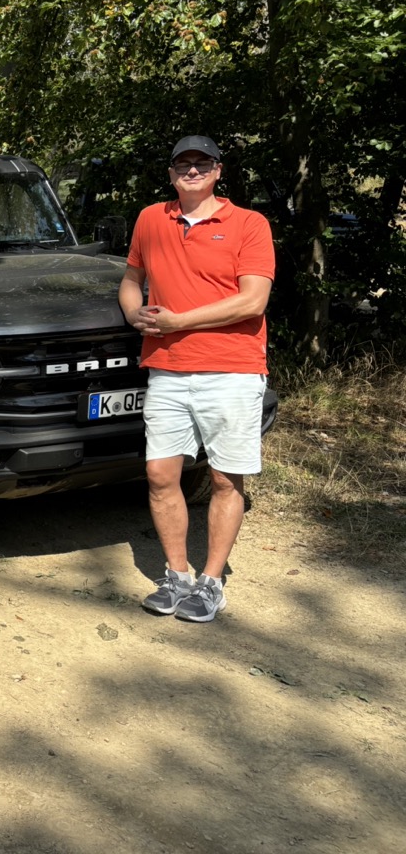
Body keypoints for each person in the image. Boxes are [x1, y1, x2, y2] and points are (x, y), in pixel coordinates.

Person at [119, 135, 275, 623]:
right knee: (161, 475)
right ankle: (177, 575)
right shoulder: (150, 218)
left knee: (225, 479)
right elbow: (130, 279)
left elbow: (253, 301)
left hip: (232, 370)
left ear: (217, 170)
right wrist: (134, 315)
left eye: (201, 162)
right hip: (167, 368)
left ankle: (210, 583)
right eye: (182, 163)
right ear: (170, 173)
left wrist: (177, 323)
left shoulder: (249, 224)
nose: (191, 170)